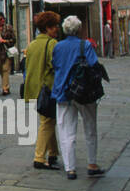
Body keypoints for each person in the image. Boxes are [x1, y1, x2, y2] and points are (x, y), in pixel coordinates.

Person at [51, 15, 105, 180]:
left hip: (63, 92)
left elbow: (54, 65)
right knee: (90, 128)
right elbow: (94, 64)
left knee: (67, 131)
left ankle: (70, 168)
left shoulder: (58, 47)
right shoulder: (86, 45)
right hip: (84, 92)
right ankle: (92, 163)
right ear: (79, 29)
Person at [22, 11, 60, 170]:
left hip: (34, 89)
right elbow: (55, 66)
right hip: (48, 89)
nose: (57, 28)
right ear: (48, 28)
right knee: (48, 122)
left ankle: (53, 153)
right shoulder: (52, 44)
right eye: (55, 26)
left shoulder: (31, 45)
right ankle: (39, 157)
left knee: (48, 119)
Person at [0, 12, 16, 95]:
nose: (2, 20)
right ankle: (6, 86)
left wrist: (5, 41)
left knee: (5, 69)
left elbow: (14, 40)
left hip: (8, 52)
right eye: (0, 19)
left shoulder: (9, 28)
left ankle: (5, 89)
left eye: (3, 18)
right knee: (2, 70)